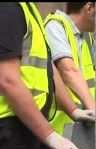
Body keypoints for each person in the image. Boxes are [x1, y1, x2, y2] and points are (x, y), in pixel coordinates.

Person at [0, 2, 95, 149]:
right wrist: (49, 135)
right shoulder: (6, 9)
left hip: (30, 124)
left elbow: (48, 71)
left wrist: (74, 110)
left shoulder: (28, 10)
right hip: (8, 129)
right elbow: (8, 80)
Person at [44, 2, 96, 134]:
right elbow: (68, 70)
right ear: (89, 8)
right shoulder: (55, 26)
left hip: (84, 129)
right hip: (59, 129)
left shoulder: (88, 37)